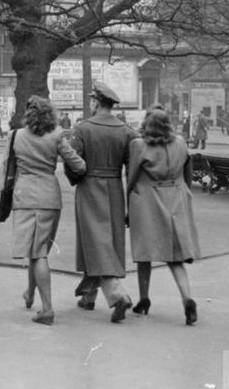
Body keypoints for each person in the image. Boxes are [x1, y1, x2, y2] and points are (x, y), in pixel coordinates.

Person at [9, 96, 85, 325]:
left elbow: (8, 169)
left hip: (24, 198)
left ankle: (48, 308)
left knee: (37, 253)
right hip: (50, 198)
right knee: (39, 250)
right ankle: (31, 293)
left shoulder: (16, 136)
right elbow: (79, 165)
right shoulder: (56, 135)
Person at [69, 81, 140, 323]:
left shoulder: (83, 128)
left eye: (91, 100)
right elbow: (133, 171)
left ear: (96, 103)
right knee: (103, 240)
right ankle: (88, 296)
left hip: (89, 188)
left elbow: (72, 162)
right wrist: (130, 203)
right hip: (115, 190)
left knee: (94, 241)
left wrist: (76, 177)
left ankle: (117, 295)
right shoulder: (127, 131)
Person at [126, 109, 201, 325]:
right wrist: (185, 193)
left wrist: (127, 206)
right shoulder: (180, 142)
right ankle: (187, 298)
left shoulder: (139, 145)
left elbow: (131, 177)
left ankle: (144, 299)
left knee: (144, 252)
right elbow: (188, 172)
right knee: (175, 256)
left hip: (148, 200)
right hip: (176, 198)